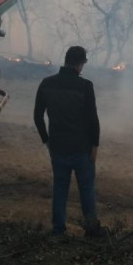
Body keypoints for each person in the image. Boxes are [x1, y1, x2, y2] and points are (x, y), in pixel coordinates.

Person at [33, 46, 105, 239]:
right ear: (80, 65)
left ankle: (58, 231)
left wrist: (46, 140)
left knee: (60, 190)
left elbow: (37, 116)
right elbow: (93, 119)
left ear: (66, 61)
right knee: (86, 191)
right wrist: (95, 145)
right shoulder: (85, 86)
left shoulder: (46, 84)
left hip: (58, 148)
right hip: (82, 149)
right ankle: (91, 230)